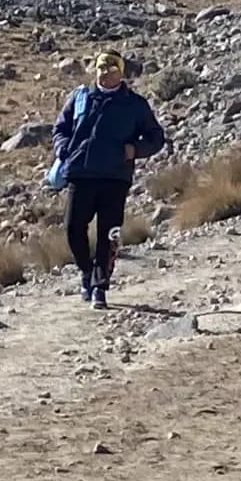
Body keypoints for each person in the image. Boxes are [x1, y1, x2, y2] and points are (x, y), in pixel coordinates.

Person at [47, 51, 166, 308]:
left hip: (115, 177)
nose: (105, 73)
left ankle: (100, 287)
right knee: (73, 228)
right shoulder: (81, 97)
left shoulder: (134, 104)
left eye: (111, 69)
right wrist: (63, 147)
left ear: (121, 73)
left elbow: (156, 137)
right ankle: (86, 271)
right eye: (101, 68)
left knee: (108, 234)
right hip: (81, 173)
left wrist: (135, 150)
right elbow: (60, 128)